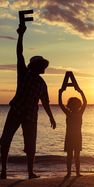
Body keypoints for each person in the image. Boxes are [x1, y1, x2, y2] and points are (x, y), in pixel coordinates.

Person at [0, 24, 56, 179]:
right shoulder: (24, 73)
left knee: (30, 145)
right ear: (35, 66)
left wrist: (51, 117)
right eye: (42, 65)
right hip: (16, 110)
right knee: (5, 140)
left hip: (31, 116)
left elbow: (45, 102)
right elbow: (19, 53)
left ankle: (30, 172)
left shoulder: (42, 83)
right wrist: (21, 35)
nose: (45, 68)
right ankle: (3, 171)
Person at [58, 87, 87, 177]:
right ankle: (72, 173)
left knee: (73, 156)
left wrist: (60, 93)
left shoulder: (75, 113)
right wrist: (81, 92)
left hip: (74, 136)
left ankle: (73, 173)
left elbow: (60, 104)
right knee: (72, 156)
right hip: (73, 137)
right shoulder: (72, 113)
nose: (74, 107)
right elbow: (61, 105)